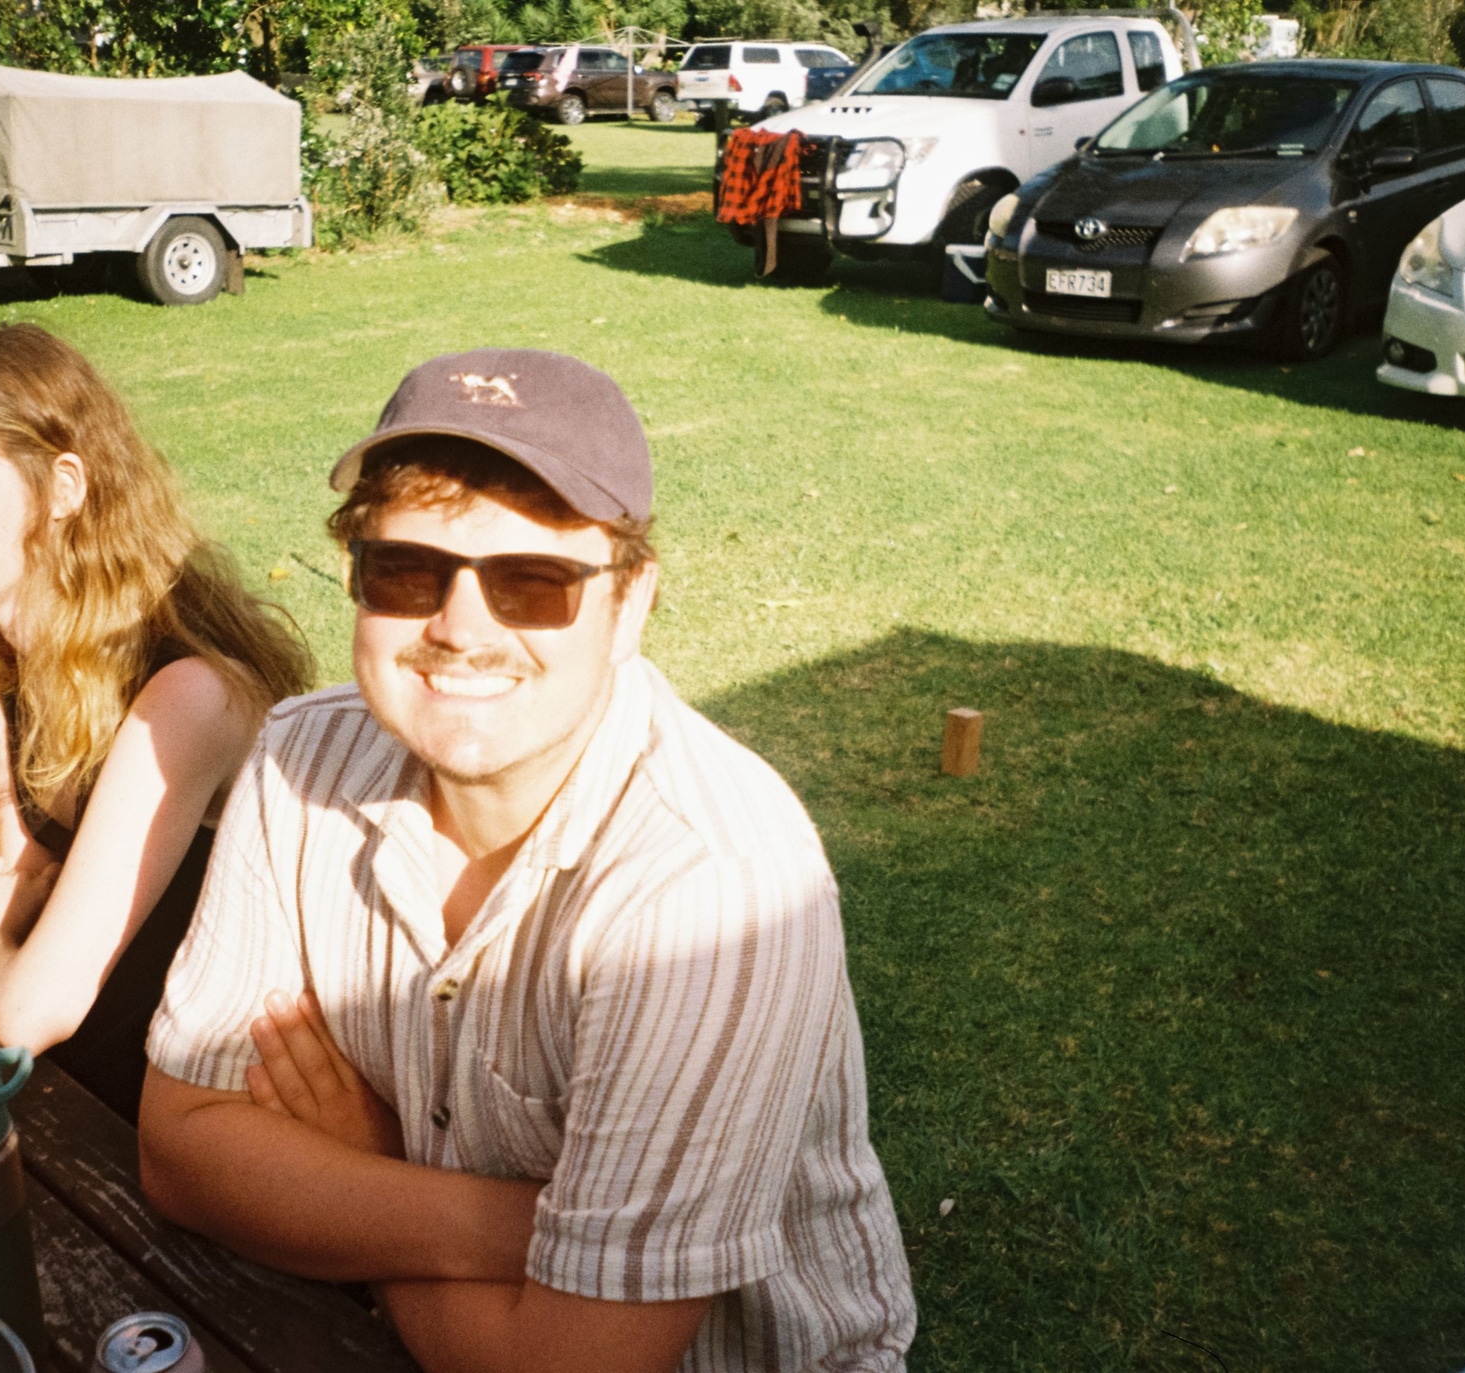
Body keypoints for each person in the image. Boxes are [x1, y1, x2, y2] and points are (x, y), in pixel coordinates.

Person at [138, 349, 916, 1371]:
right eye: (405, 571)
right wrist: (533, 1228)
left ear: (630, 602)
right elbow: (182, 1146)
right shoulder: (298, 755)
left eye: (532, 581)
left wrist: (358, 1172)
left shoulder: (712, 885)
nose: (459, 627)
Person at [0, 323, 311, 1122]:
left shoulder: (185, 694)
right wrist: (5, 926)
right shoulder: (2, 656)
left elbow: (32, 1002)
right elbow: (22, 866)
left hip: (205, 1119)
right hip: (83, 1085)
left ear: (63, 485)